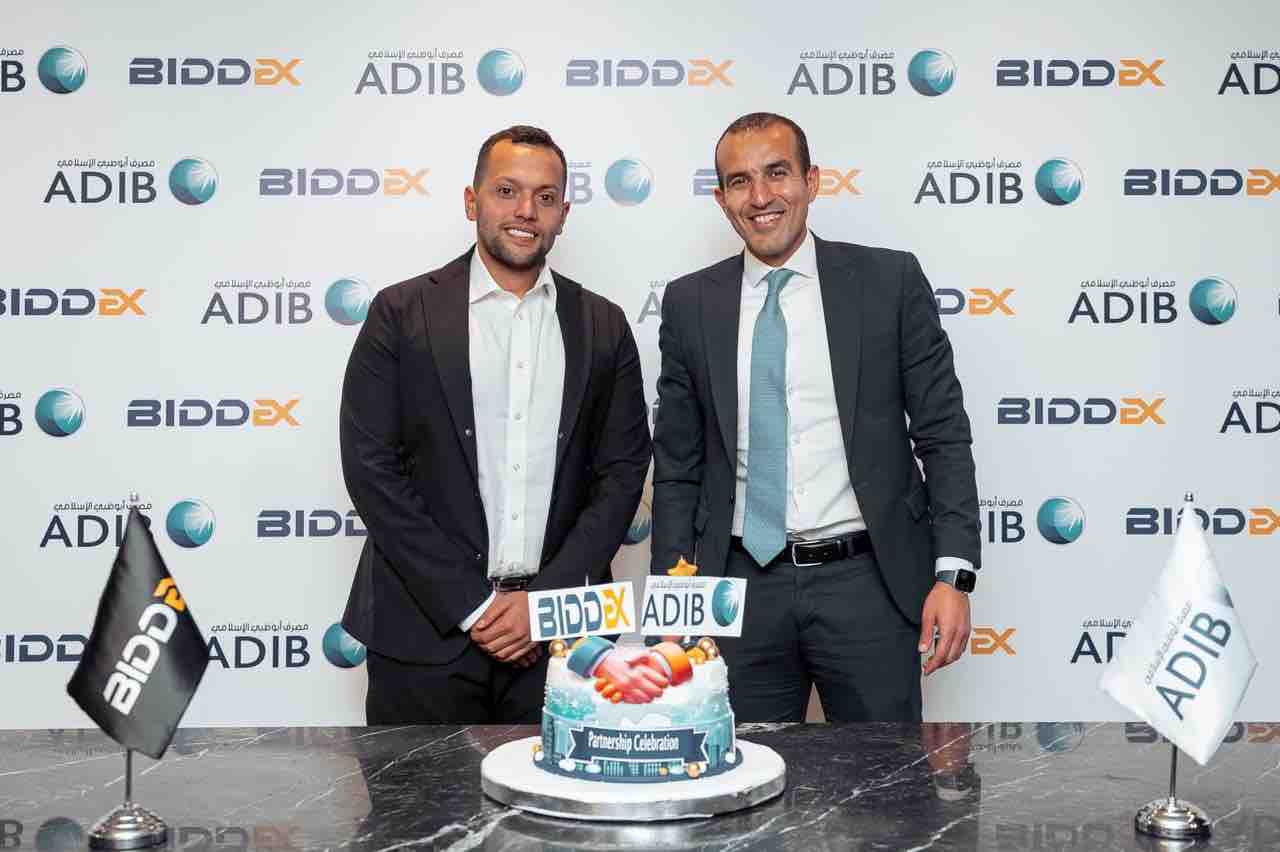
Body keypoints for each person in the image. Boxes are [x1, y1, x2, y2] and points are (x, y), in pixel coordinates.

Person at [651, 112, 980, 722]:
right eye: (740, 181)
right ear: (721, 199)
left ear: (812, 181)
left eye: (777, 173)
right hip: (738, 590)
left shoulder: (888, 282)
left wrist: (954, 575)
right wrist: (671, 601)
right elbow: (677, 467)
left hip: (868, 585)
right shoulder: (690, 302)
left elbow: (943, 435)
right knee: (741, 772)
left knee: (886, 778)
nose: (761, 197)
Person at [339, 125, 651, 723]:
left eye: (546, 196)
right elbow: (371, 469)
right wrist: (473, 604)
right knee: (416, 790)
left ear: (563, 214)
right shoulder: (400, 313)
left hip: (562, 638)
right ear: (472, 200)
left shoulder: (604, 325)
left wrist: (542, 605)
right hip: (423, 631)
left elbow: (621, 475)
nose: (526, 211)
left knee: (560, 790)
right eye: (507, 191)